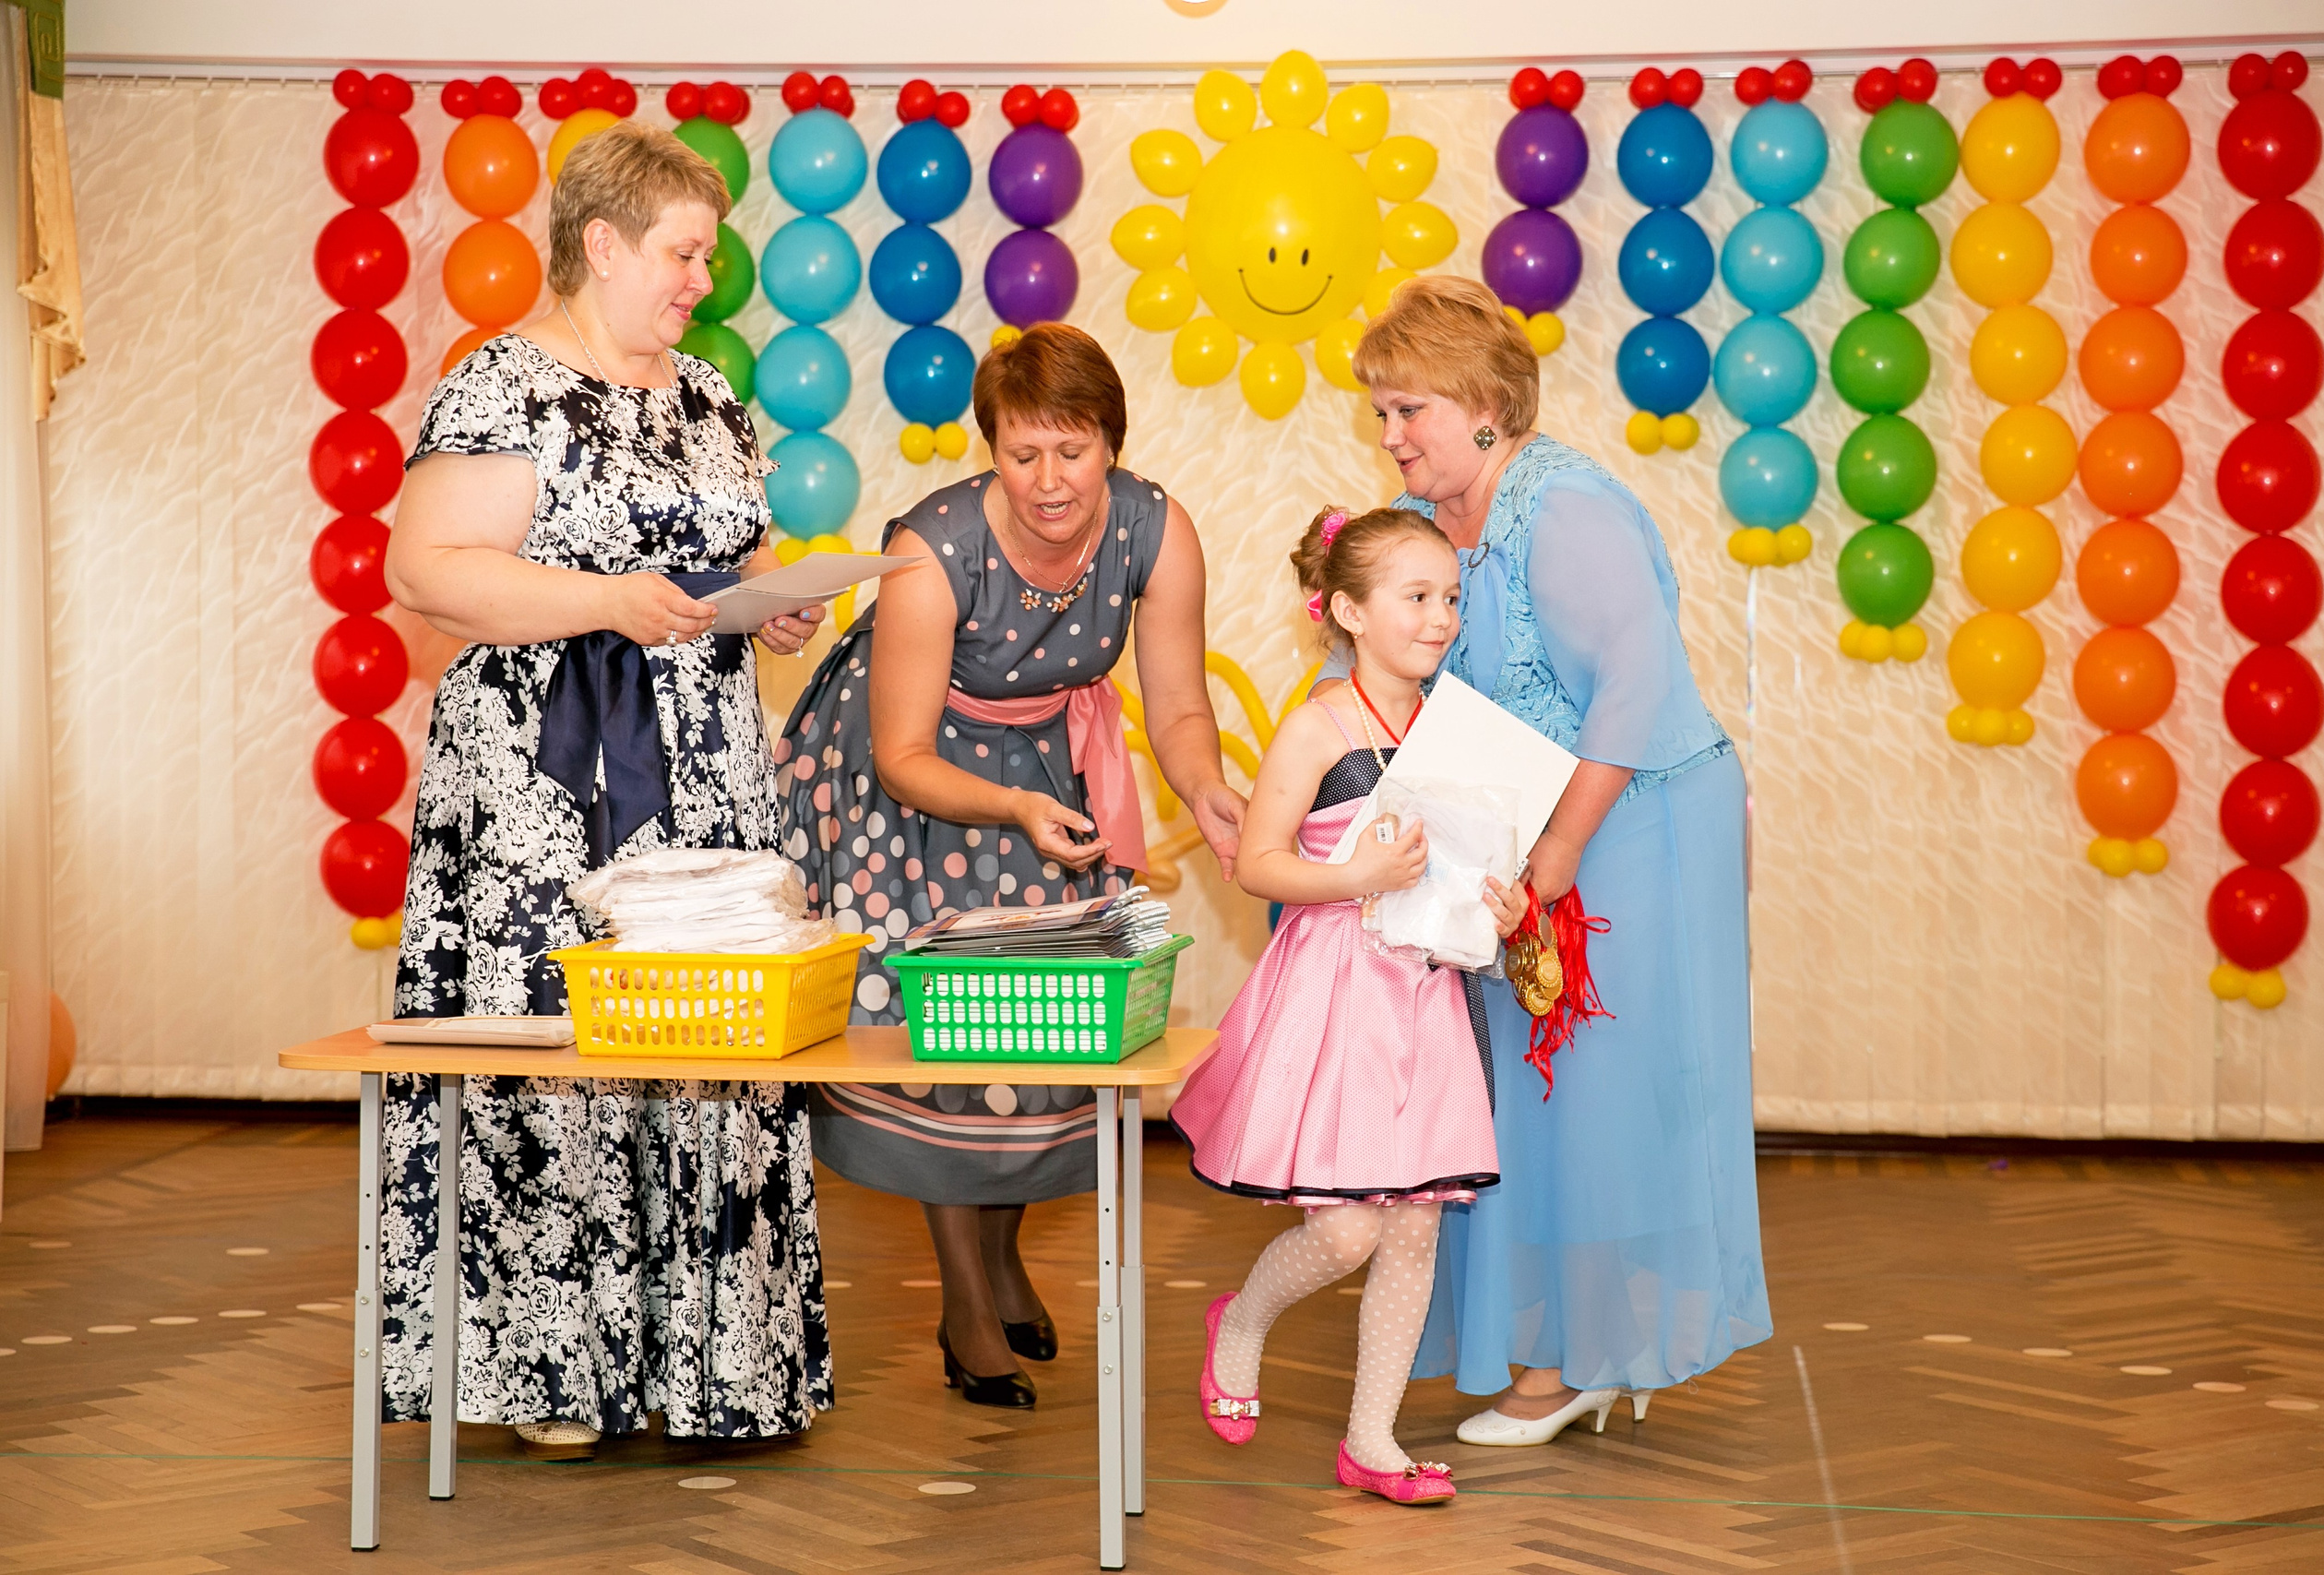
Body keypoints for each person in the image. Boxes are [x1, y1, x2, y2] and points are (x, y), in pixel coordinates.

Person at [378, 120, 832, 1460]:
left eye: (709, 252)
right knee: (552, 1046)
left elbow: (728, 545)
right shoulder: (501, 387)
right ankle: (551, 1373)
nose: (702, 278)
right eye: (684, 253)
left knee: (709, 1039)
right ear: (602, 244)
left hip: (702, 766)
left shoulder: (707, 393)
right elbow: (430, 568)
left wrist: (772, 598)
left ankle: (709, 1360)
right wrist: (610, 605)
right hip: (542, 776)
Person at [1327, 275, 1770, 1445]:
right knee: (1529, 1086)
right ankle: (1561, 1337)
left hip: (1636, 818)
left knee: (1595, 1089)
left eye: (1404, 409)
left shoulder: (1562, 508)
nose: (1389, 436)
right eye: (1381, 413)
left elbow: (1631, 684)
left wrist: (1563, 849)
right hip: (1536, 830)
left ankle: (1582, 1354)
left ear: (1482, 407)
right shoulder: (1442, 517)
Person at [775, 324, 1247, 1407]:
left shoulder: (1157, 530)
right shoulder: (930, 550)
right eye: (1021, 453)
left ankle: (1000, 1256)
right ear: (989, 448)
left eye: (1072, 452)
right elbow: (900, 756)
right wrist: (1014, 808)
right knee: (957, 1029)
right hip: (914, 776)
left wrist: (1206, 788)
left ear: (1112, 447)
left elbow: (1177, 705)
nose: (1048, 481)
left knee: (1045, 1014)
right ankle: (965, 1303)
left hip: (1043, 760)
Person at [1172, 505, 1521, 1505]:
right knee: (1348, 1231)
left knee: (1413, 1227)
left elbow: (1467, 859)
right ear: (1348, 612)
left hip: (1425, 996)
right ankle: (1241, 1321)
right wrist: (1357, 872)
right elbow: (1258, 865)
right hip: (1337, 996)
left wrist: (1498, 893)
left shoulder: (1452, 727)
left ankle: (1373, 1441)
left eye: (1449, 597)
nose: (1440, 617)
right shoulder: (1316, 728)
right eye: (1416, 597)